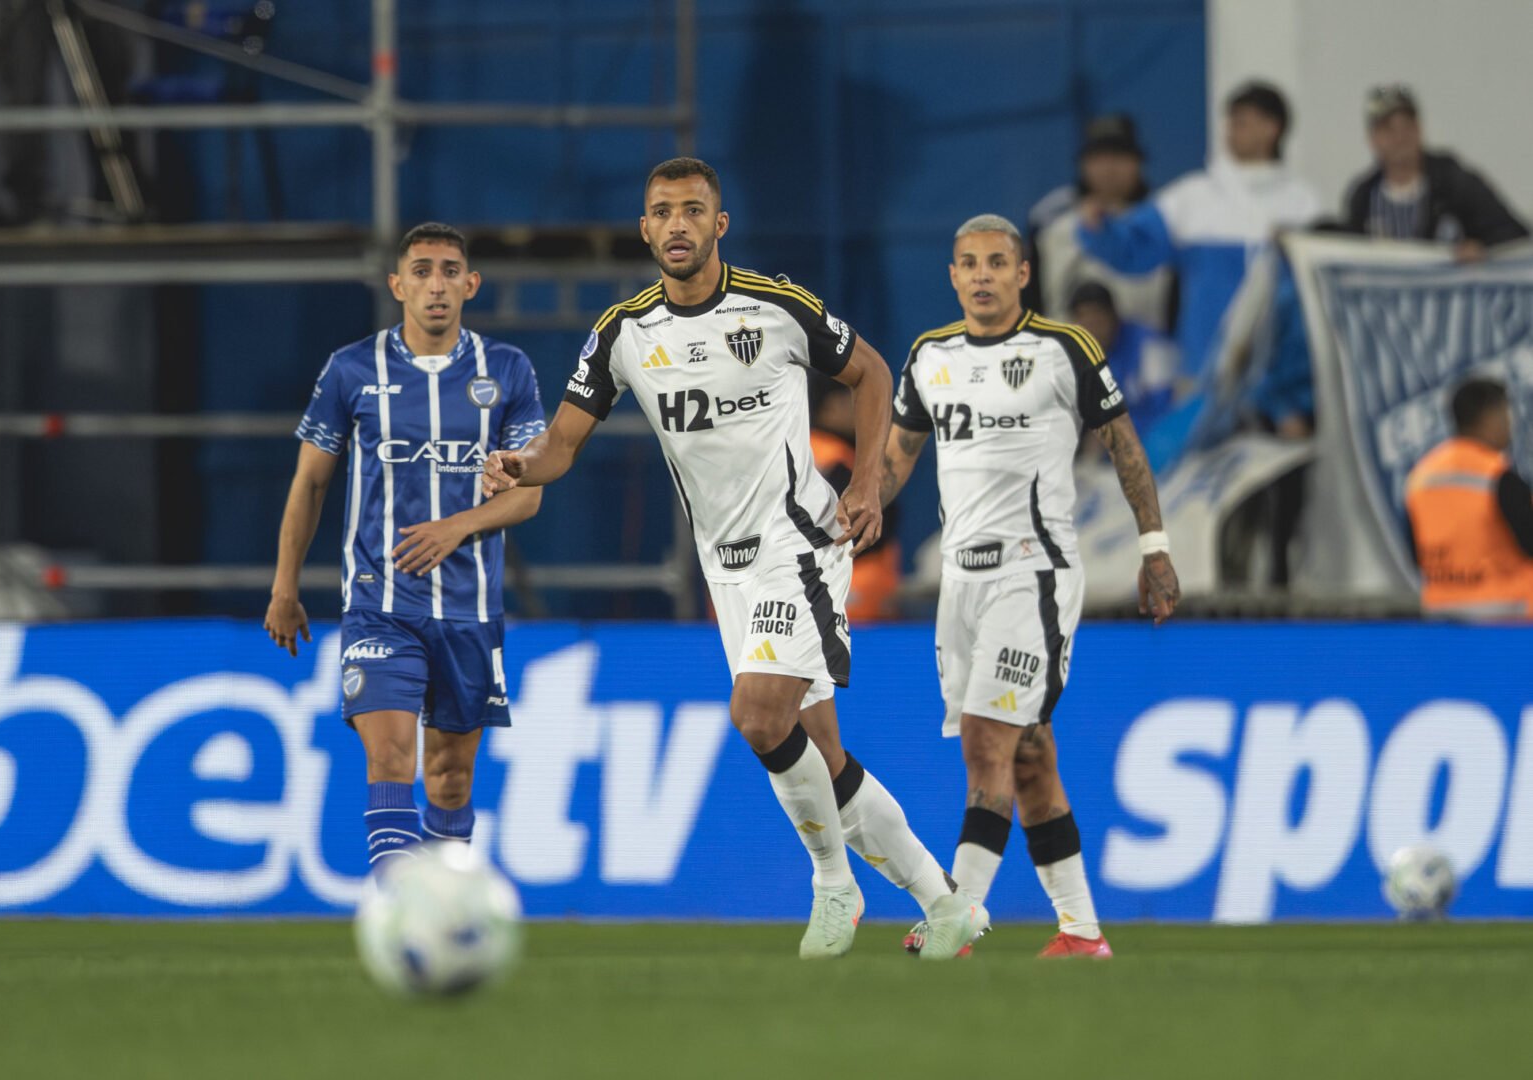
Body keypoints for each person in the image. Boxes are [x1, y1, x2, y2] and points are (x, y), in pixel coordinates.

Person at [484, 156, 986, 960]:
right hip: (728, 566)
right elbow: (561, 445)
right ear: (644, 228)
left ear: (719, 225)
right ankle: (946, 905)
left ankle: (833, 886)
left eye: (692, 210)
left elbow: (871, 373)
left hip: (801, 545)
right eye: (661, 211)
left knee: (757, 715)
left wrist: (865, 484)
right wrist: (520, 464)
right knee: (819, 754)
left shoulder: (776, 306)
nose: (676, 224)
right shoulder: (624, 334)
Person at [881, 214, 1181, 959]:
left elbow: (1124, 446)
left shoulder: (1062, 350)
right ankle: (1082, 933)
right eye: (967, 263)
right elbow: (893, 462)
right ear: (951, 276)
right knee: (1028, 756)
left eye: (996, 262)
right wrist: (847, 515)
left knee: (987, 743)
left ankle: (956, 917)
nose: (981, 275)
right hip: (961, 584)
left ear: (1023, 274)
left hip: (1034, 573)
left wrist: (1155, 546)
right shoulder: (928, 357)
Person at [264, 222, 547, 869]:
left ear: (471, 284)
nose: (436, 284)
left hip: (470, 610)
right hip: (379, 604)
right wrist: (285, 587)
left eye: (450, 270)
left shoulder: (506, 371)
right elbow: (310, 483)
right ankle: (397, 913)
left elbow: (530, 494)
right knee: (391, 755)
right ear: (398, 285)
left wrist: (457, 526)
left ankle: (441, 911)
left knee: (450, 777)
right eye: (421, 270)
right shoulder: (352, 369)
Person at [1078, 82, 1320, 386]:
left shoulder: (1302, 204)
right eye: (1230, 121)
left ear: (1272, 128)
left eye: (1242, 121)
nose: (1231, 130)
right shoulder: (1193, 197)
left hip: (1277, 378)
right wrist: (1099, 229)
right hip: (1202, 374)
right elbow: (1134, 248)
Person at [1024, 114, 1170, 332]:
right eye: (1099, 158)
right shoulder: (1051, 222)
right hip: (1068, 356)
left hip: (1148, 357)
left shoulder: (1166, 218)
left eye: (1119, 157)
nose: (1109, 168)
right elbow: (1029, 299)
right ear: (1083, 164)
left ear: (1137, 162)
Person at [1345, 85, 1529, 258]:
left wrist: (1482, 246)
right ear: (1373, 139)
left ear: (1419, 130)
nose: (1399, 137)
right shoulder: (1363, 198)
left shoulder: (1455, 183)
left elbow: (1515, 236)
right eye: (1388, 129)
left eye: (1406, 126)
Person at [1405, 378, 1533, 620]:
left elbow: (1414, 551)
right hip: (1509, 615)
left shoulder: (1421, 477)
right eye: (1505, 413)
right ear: (1488, 418)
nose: (1509, 424)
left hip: (1443, 613)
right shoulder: (1497, 476)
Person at [809, 379, 902, 620]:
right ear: (828, 408)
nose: (858, 409)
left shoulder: (803, 448)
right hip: (845, 589)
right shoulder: (833, 457)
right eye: (849, 401)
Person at [1067, 280, 1177, 438]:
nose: (1092, 330)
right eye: (1085, 324)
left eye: (1097, 320)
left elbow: (1168, 412)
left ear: (1113, 315)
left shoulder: (1151, 347)